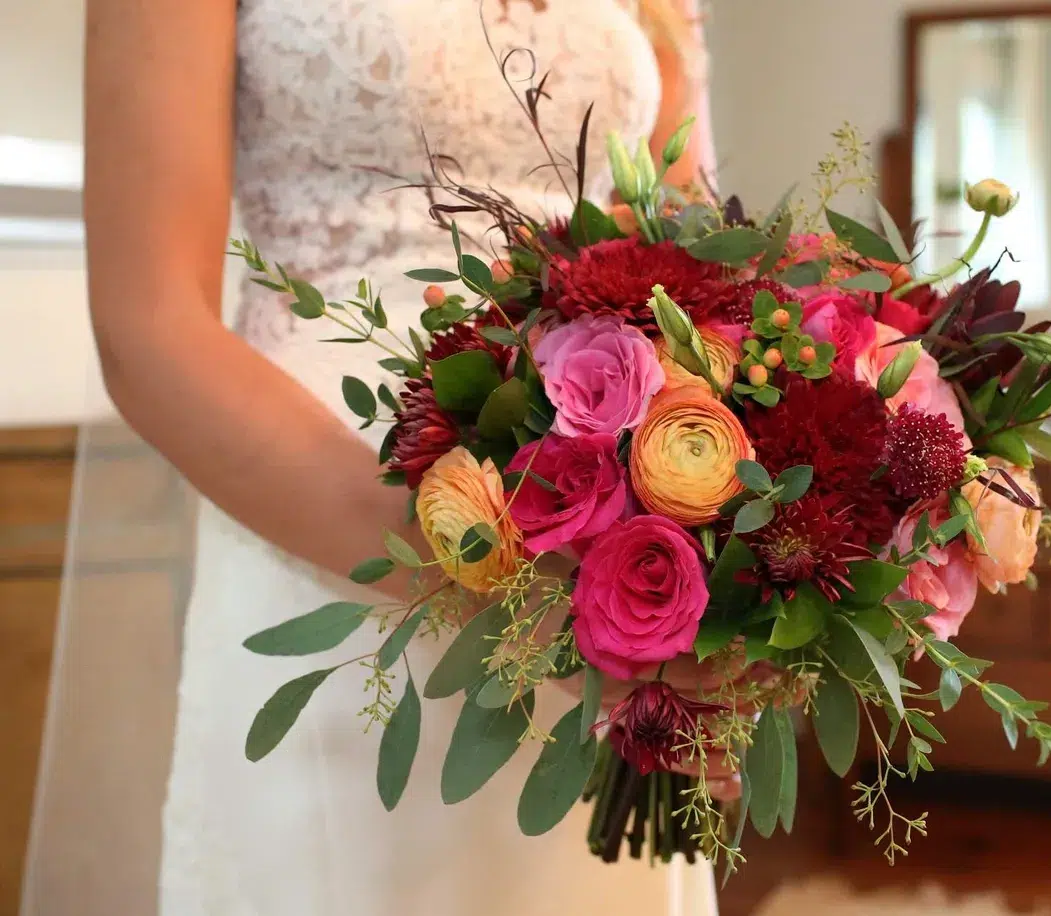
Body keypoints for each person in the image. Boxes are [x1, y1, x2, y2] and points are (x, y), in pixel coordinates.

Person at [54, 1, 731, 913]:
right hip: (331, 547)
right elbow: (147, 332)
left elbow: (688, 262)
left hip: (606, 540)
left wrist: (733, 579)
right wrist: (529, 608)